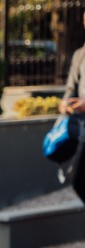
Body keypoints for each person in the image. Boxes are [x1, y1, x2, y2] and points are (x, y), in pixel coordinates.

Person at [58, 12, 85, 202]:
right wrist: (65, 102)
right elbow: (71, 87)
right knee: (79, 180)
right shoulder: (80, 55)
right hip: (84, 128)